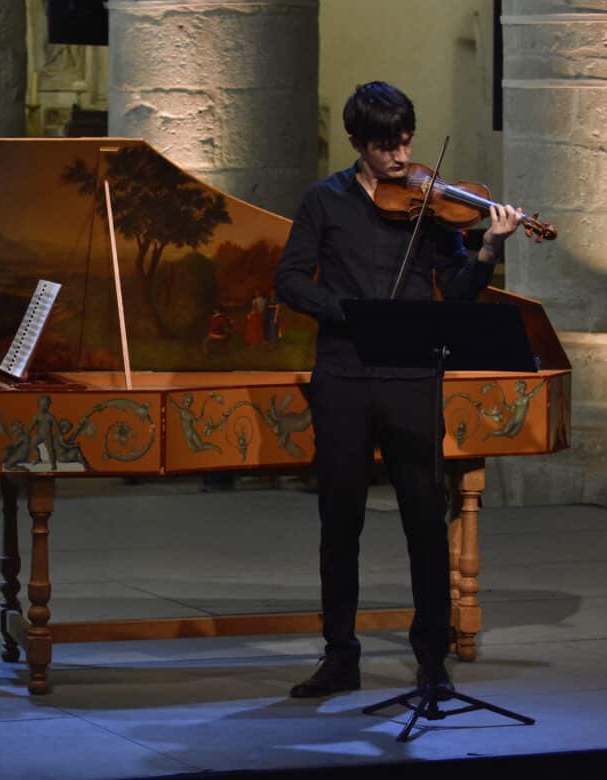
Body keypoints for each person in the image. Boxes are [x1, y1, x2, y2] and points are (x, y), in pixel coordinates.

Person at [273, 81, 524, 698]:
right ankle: (340, 657)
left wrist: (487, 248)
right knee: (341, 523)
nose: (401, 155)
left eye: (406, 140)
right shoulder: (323, 201)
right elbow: (290, 280)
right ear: (359, 142)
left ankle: (431, 661)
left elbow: (458, 292)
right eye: (387, 144)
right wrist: (350, 312)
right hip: (345, 379)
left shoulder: (431, 207)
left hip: (413, 379)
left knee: (424, 523)